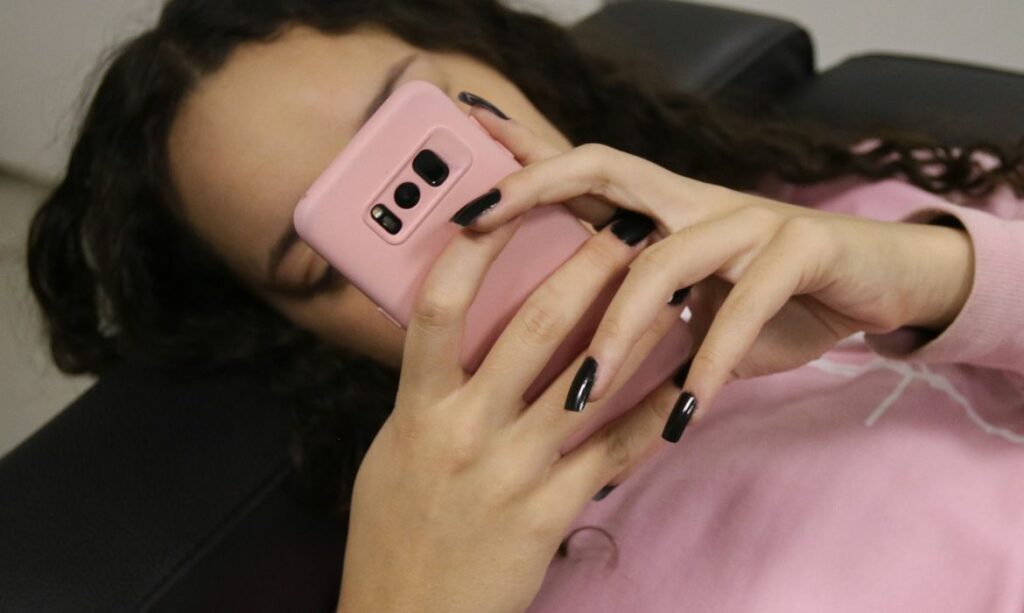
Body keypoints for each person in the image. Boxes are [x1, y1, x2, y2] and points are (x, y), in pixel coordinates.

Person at [27, 0, 1024, 611]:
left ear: (496, 61)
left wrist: (937, 279)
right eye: (336, 256)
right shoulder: (472, 567)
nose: (458, 225)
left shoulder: (875, 193)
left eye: (423, 135)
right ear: (299, 336)